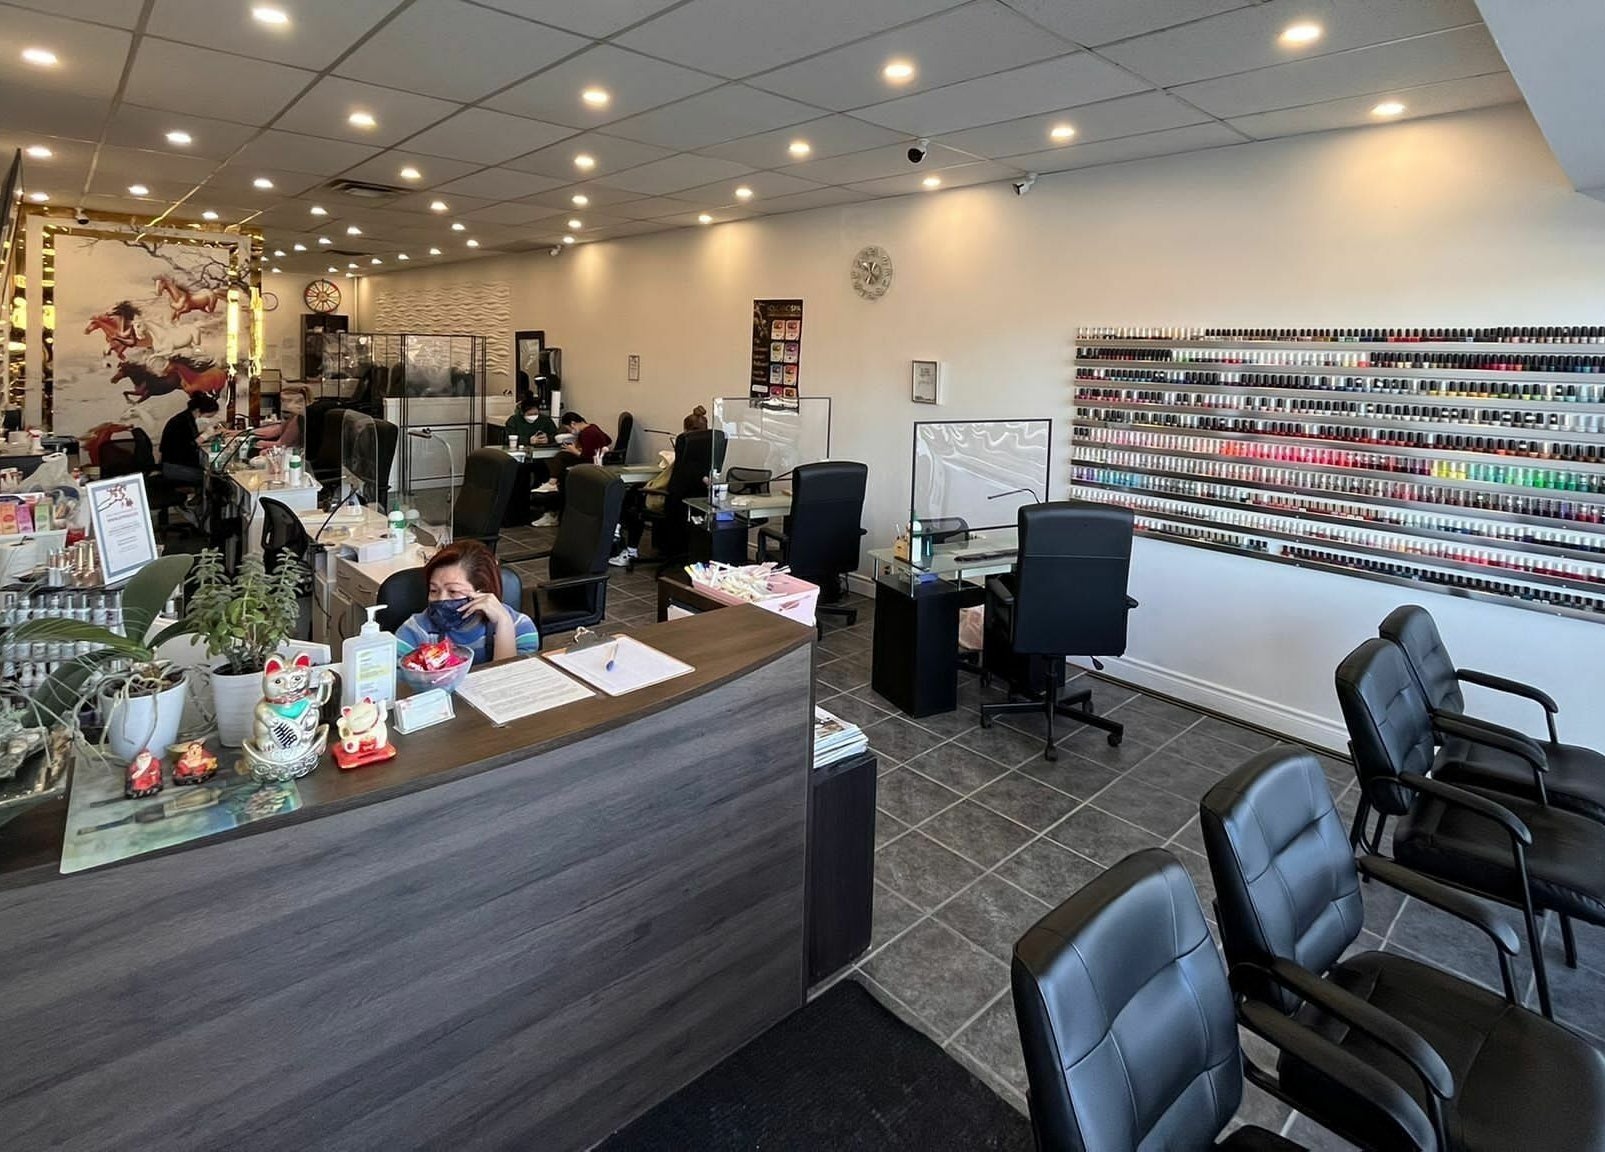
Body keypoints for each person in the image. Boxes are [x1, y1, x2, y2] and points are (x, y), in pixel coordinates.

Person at [395, 540, 540, 667]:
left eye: (453, 591)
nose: (441, 599)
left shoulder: (521, 628)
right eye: (434, 590)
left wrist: (504, 624)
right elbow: (397, 682)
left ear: (482, 593)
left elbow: (510, 684)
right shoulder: (415, 630)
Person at [611, 406, 708, 567]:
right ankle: (618, 529)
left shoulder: (684, 447)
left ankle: (630, 548)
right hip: (692, 504)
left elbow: (669, 481)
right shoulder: (709, 448)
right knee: (637, 490)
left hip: (671, 501)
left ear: (685, 430)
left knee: (634, 497)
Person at [533, 411, 615, 528]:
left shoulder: (586, 433)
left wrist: (574, 450)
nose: (571, 432)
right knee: (561, 459)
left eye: (569, 429)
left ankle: (552, 482)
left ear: (573, 424)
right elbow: (608, 440)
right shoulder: (593, 427)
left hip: (590, 463)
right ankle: (553, 481)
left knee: (560, 457)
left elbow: (586, 456)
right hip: (599, 461)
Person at [158, 392, 220, 472]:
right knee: (214, 478)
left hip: (178, 463)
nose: (208, 420)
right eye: (208, 417)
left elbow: (189, 439)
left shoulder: (187, 418)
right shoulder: (181, 423)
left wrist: (210, 436)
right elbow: (186, 448)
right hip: (175, 467)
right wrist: (205, 436)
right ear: (198, 411)